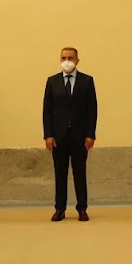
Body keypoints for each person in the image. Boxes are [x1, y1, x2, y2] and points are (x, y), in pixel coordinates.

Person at [42, 47, 97, 222]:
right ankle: (60, 209)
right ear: (60, 60)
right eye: (64, 57)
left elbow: (92, 110)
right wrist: (48, 135)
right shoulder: (52, 81)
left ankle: (82, 208)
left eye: (71, 58)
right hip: (58, 137)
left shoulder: (87, 81)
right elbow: (47, 111)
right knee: (60, 173)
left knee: (80, 173)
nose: (67, 60)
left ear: (77, 61)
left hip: (80, 136)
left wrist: (90, 134)